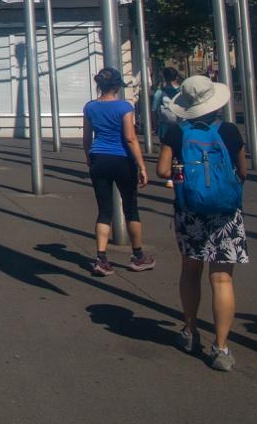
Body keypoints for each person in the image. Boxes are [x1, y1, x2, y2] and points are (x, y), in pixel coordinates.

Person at [156, 75, 247, 372]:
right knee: (222, 279)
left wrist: (185, 178)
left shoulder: (176, 133)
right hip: (226, 213)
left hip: (190, 210)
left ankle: (190, 331)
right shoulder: (230, 132)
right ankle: (221, 347)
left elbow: (163, 170)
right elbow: (242, 171)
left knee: (190, 271)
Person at [82, 67, 154, 277]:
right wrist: (141, 165)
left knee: (104, 210)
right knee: (130, 208)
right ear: (116, 86)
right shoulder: (125, 107)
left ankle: (101, 258)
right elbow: (130, 138)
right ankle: (138, 256)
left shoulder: (90, 107)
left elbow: (87, 138)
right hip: (122, 158)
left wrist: (88, 156)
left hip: (98, 158)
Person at [151, 67, 183, 142]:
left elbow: (154, 111)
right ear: (177, 77)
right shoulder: (183, 92)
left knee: (165, 150)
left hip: (165, 129)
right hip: (181, 127)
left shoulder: (159, 93)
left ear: (164, 77)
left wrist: (155, 127)